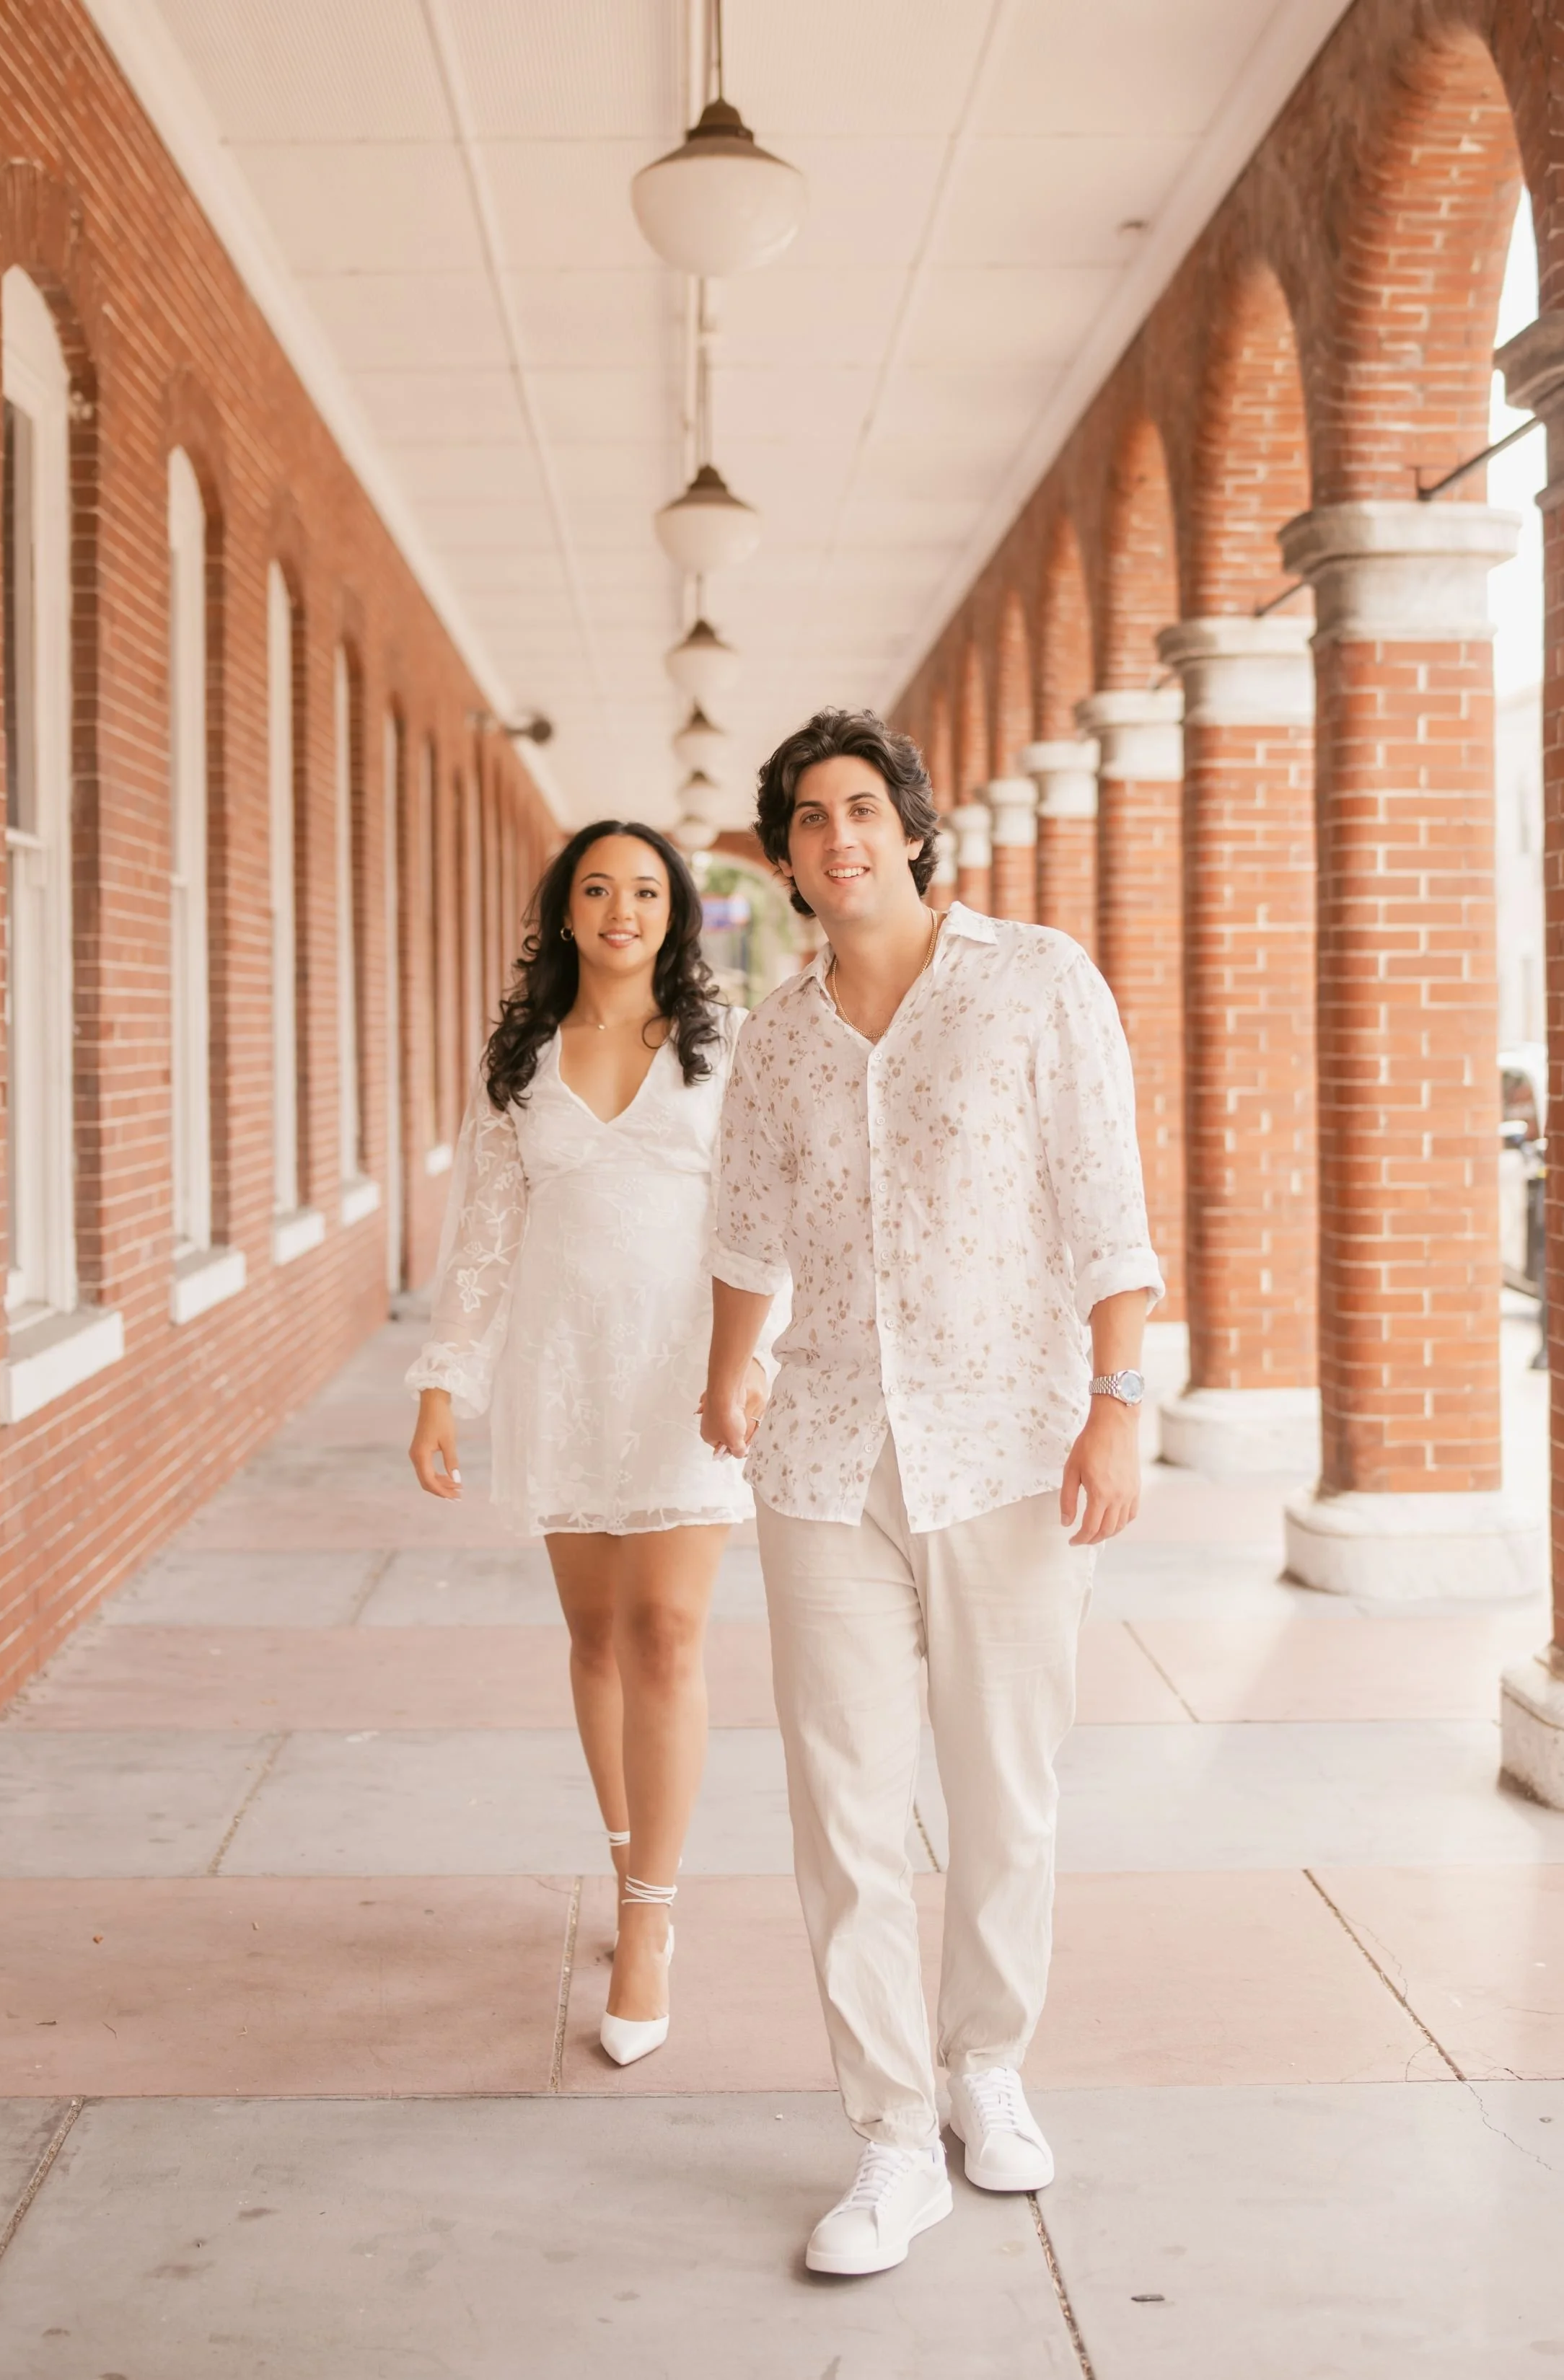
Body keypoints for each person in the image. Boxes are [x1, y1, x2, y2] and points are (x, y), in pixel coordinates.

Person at [700, 710, 1162, 2276]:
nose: (840, 836)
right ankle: (891, 2137)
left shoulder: (1033, 983)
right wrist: (723, 1369)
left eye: (862, 807)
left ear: (910, 825)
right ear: (783, 860)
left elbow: (1106, 1208)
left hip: (1010, 1445)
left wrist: (1116, 1407)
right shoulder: (774, 1035)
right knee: (841, 1807)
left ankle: (983, 2065)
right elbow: (746, 1229)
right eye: (808, 818)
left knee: (1001, 1784)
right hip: (825, 1456)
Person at [408, 820, 773, 2068]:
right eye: (599, 888)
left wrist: (751, 1365)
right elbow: (485, 1237)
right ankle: (627, 1861)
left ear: (678, 914)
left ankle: (650, 1920)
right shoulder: (520, 1058)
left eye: (649, 890)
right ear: (565, 911)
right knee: (596, 1636)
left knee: (670, 1636)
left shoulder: (723, 1049)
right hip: (561, 1373)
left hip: (686, 1376)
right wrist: (446, 1382)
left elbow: (767, 1219)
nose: (624, 908)